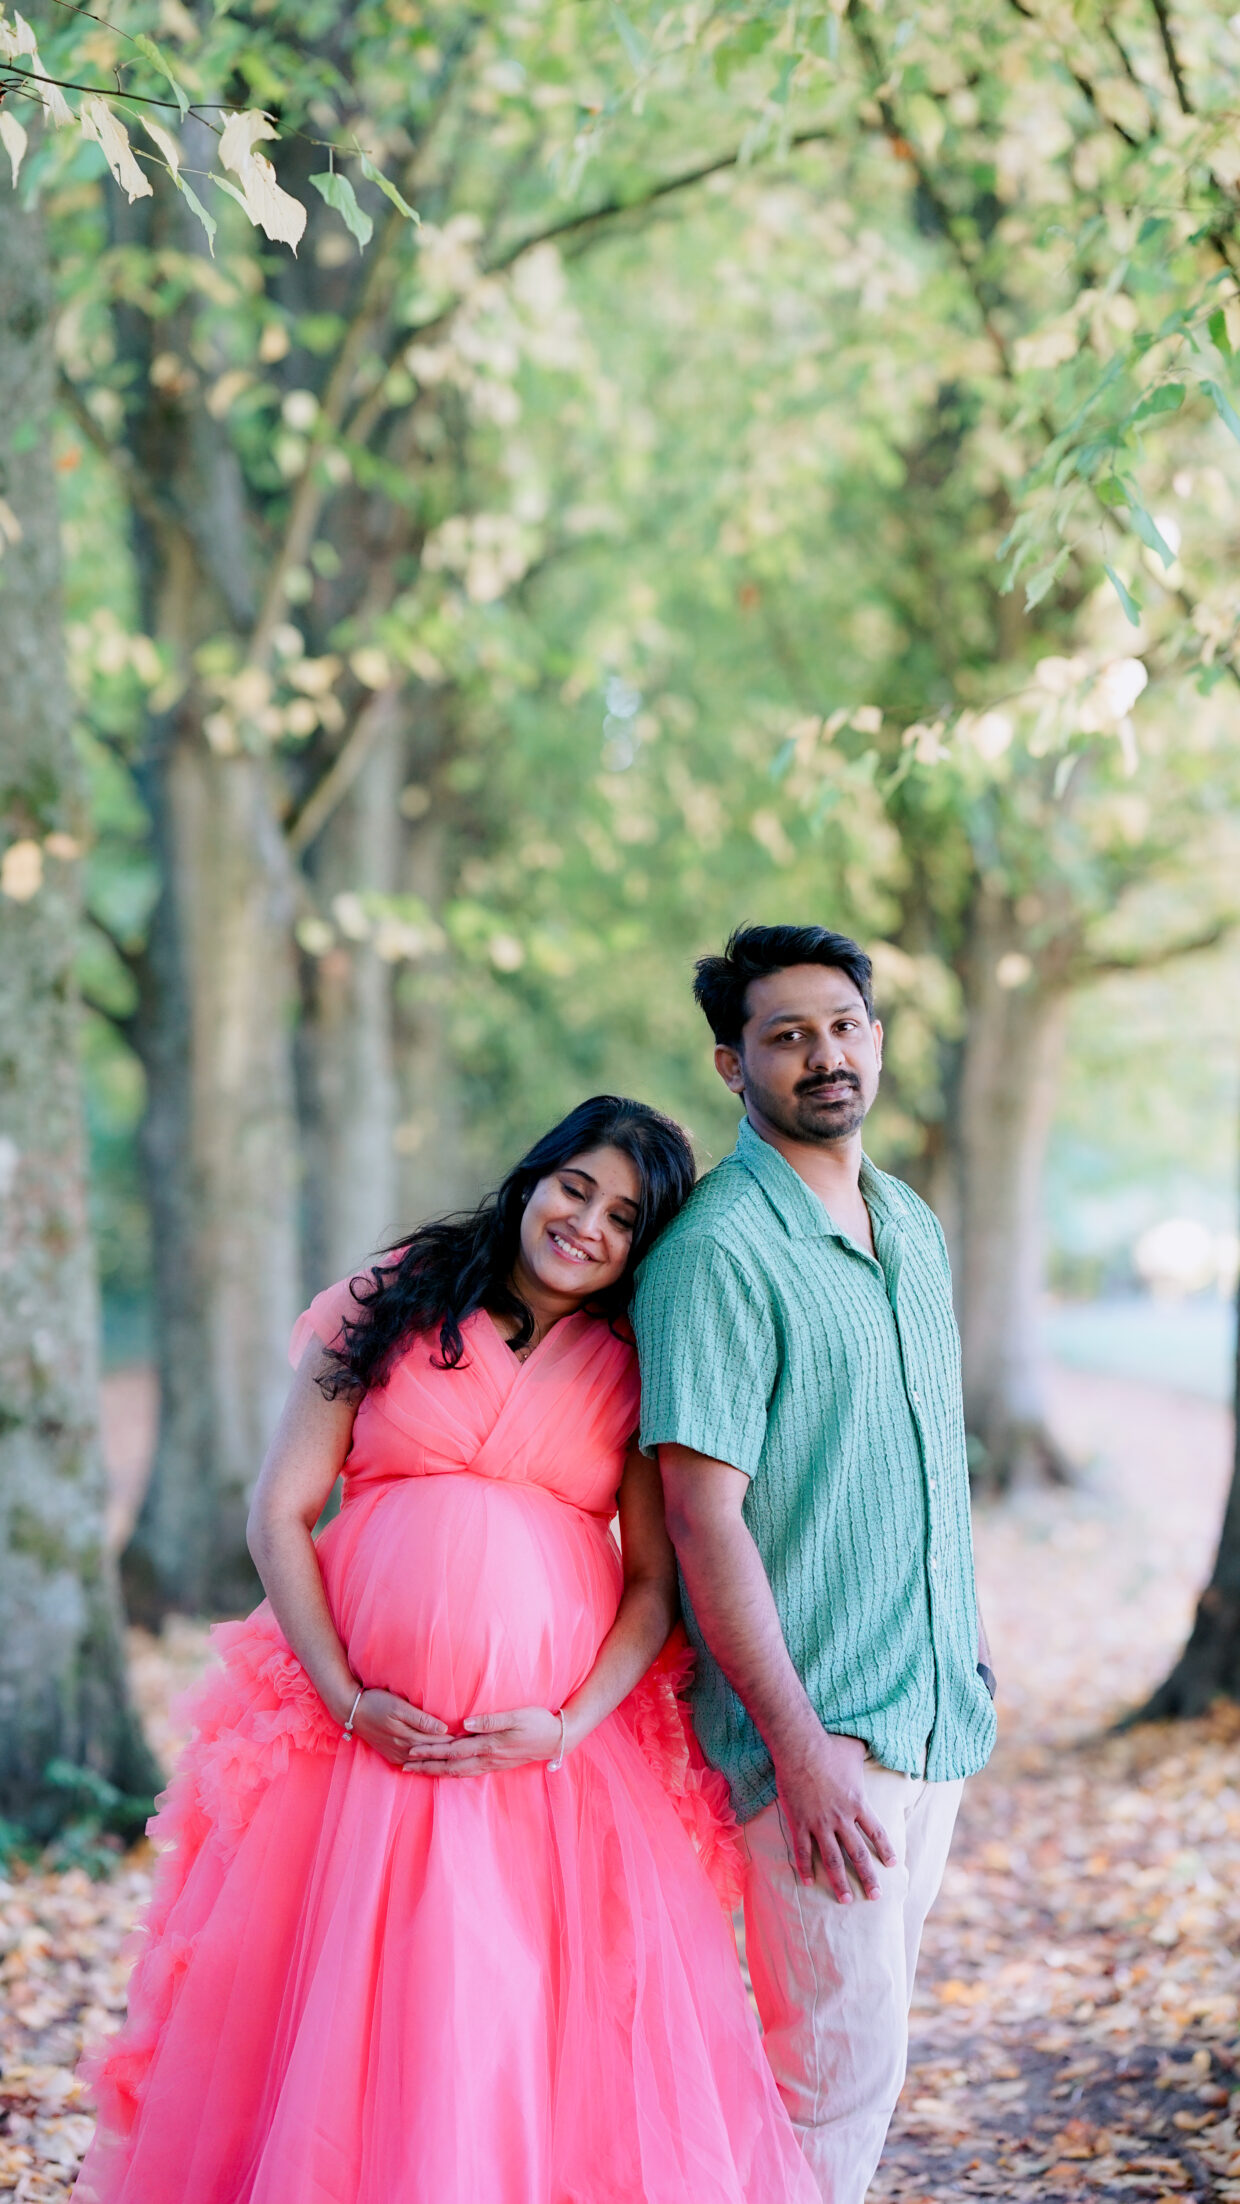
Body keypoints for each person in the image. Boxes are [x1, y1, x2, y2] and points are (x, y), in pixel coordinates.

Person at [76, 1094, 817, 2204]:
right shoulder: (391, 1299)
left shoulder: (636, 1362)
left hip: (542, 1770)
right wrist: (346, 1697)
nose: (586, 1224)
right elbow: (279, 1513)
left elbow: (654, 1586)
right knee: (334, 2026)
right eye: (575, 1187)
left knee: (509, 2029)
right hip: (353, 1752)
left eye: (622, 1216)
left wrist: (562, 1727)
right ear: (533, 1177)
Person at [632, 927, 998, 2204]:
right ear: (733, 1065)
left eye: (842, 1026)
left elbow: (924, 1450)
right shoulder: (718, 1252)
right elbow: (701, 1521)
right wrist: (797, 1749)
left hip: (932, 1712)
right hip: (820, 1739)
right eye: (786, 1036)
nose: (823, 1054)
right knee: (827, 2085)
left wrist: (970, 1644)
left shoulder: (910, 1222)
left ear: (877, 1040)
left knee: (865, 2064)